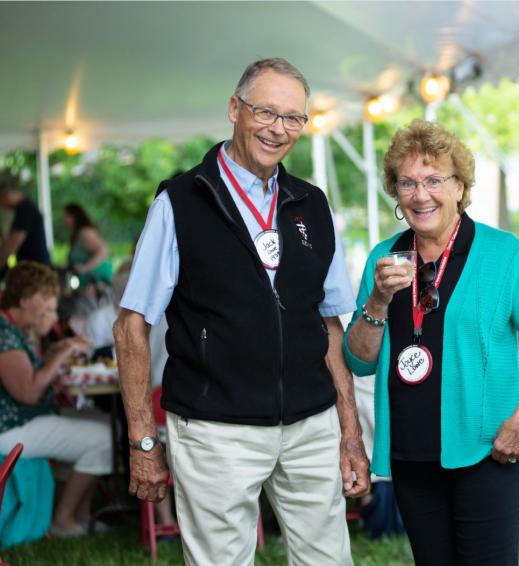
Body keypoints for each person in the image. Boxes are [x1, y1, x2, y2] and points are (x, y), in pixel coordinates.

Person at [113, 57, 369, 566]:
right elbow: (130, 326)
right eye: (265, 112)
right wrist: (143, 440)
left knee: (329, 559)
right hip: (215, 428)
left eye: (293, 117)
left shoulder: (312, 204)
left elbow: (331, 325)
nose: (278, 129)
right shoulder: (182, 201)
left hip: (310, 422)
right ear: (235, 109)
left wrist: (350, 429)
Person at [343, 119, 519, 565]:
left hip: (489, 448)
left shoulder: (502, 253)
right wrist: (378, 299)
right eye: (407, 183)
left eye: (433, 180)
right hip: (412, 454)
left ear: (460, 187)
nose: (420, 194)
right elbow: (359, 359)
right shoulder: (383, 258)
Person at [0, 261, 110, 538]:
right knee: (105, 438)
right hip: (10, 429)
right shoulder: (4, 334)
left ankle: (80, 514)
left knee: (102, 423)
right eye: (45, 302)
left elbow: (30, 377)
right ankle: (62, 520)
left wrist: (54, 352)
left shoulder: (12, 329)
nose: (51, 307)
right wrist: (60, 355)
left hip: (22, 421)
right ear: (25, 300)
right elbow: (27, 392)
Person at [0, 173, 51, 277]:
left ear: (6, 195)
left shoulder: (25, 209)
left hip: (35, 269)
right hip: (34, 267)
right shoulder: (25, 208)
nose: (3, 206)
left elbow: (14, 241)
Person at [62, 203, 113, 289]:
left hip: (95, 283)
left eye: (66, 216)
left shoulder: (85, 232)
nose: (63, 220)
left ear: (74, 217)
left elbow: (103, 251)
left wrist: (86, 268)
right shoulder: (77, 234)